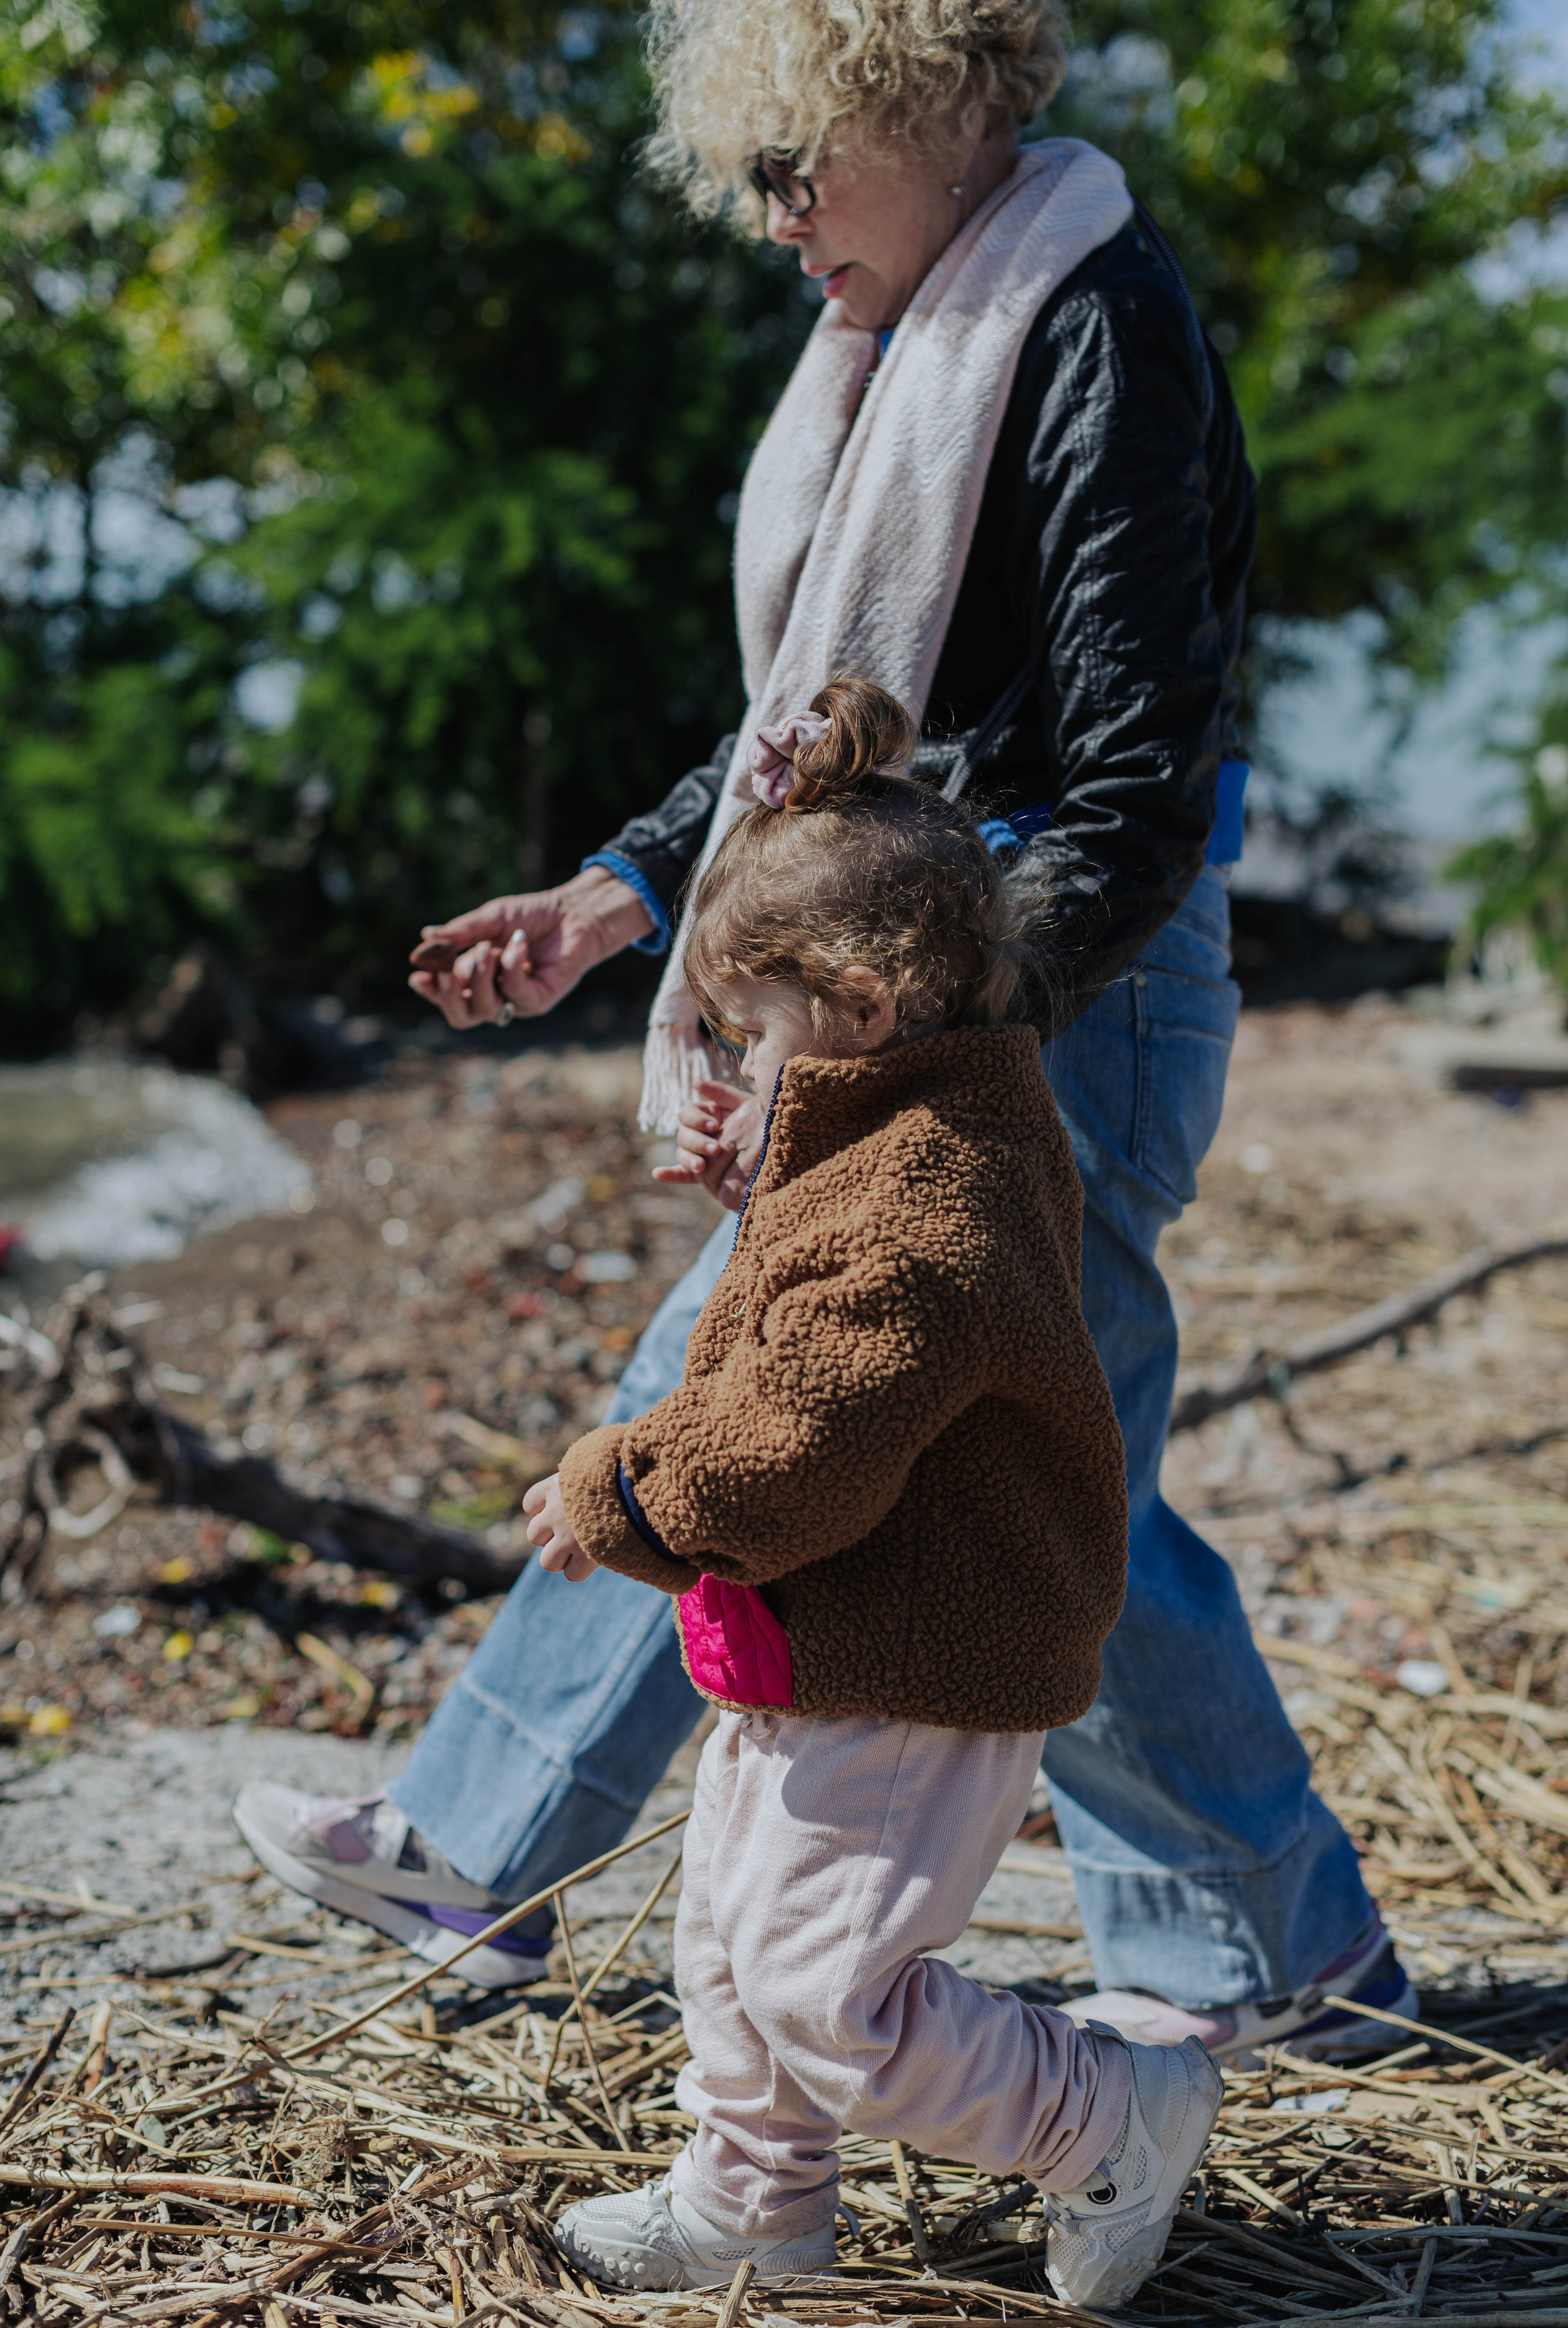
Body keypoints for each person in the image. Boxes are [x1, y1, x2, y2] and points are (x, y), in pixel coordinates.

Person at [236, 0, 1414, 2063]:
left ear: (927, 102)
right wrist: (614, 899)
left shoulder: (1088, 328)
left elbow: (1135, 782)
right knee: (1048, 1470)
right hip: (966, 957)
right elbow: (830, 729)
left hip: (1061, 985)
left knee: (809, 1394)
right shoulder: (910, 355)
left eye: (798, 165)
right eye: (754, 175)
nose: (775, 222)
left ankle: (484, 1846)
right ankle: (1274, 1947)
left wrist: (907, 1041)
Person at [524, 677, 1222, 2311]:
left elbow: (791, 1453)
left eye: (753, 1030)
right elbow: (809, 1308)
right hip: (833, 1638)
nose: (749, 1062)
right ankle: (747, 2206)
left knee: (827, 1986)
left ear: (848, 1004)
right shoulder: (911, 1124)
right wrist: (760, 1158)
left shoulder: (925, 1200)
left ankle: (1109, 2107)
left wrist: (615, 1488)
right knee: (728, 1932)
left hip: (925, 1653)